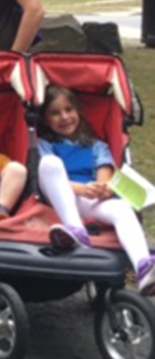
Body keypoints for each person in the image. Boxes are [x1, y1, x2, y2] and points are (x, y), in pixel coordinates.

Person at [37, 86, 154, 294]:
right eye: (55, 113)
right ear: (45, 120)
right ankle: (75, 229)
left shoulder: (97, 146)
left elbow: (104, 175)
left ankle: (143, 267)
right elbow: (47, 178)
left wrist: (103, 190)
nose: (64, 117)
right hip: (61, 197)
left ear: (78, 112)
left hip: (89, 199)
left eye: (68, 110)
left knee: (121, 209)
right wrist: (80, 189)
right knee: (50, 164)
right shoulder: (45, 144)